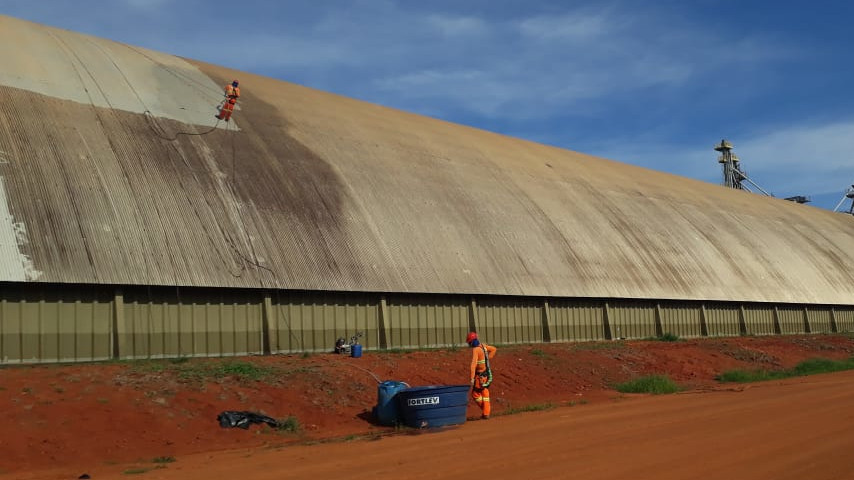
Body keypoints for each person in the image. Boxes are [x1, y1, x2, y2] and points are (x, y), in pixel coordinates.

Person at [466, 331, 497, 419]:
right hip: (486, 374)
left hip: (480, 375)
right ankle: (486, 412)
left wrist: (472, 378)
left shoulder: (476, 349)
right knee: (484, 391)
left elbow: (473, 365)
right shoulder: (483, 346)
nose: (469, 345)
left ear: (472, 342)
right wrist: (488, 359)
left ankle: (486, 411)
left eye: (469, 343)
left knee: (475, 394)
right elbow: (494, 349)